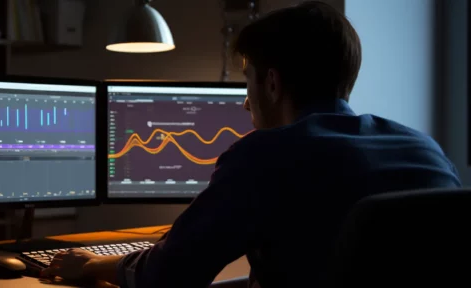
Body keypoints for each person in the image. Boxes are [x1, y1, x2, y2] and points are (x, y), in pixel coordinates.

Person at [42, 1, 462, 287]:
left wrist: (96, 264)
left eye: (247, 80)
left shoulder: (265, 156)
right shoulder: (426, 150)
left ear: (273, 83)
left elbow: (167, 277)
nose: (245, 100)